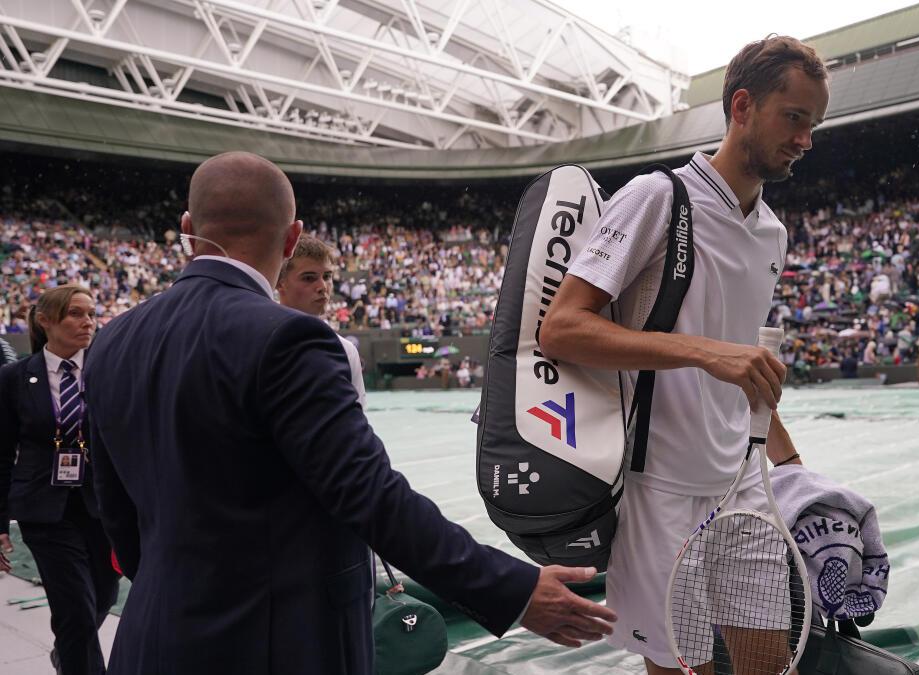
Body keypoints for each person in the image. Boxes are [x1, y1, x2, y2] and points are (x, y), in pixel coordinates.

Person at [82, 152, 615, 675]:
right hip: (278, 643)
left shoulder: (111, 342)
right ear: (292, 238)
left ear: (187, 228)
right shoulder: (287, 337)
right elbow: (368, 493)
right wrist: (513, 589)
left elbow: (112, 509)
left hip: (152, 631)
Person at [540, 36, 826, 675]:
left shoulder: (773, 231)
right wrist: (703, 353)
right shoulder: (655, 197)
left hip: (742, 481)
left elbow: (743, 363)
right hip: (656, 484)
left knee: (766, 663)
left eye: (814, 124)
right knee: (678, 670)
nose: (806, 140)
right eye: (795, 118)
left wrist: (798, 470)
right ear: (743, 106)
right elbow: (561, 328)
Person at [0, 285, 120, 675]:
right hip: (44, 510)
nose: (88, 321)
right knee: (77, 613)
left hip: (101, 506)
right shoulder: (15, 378)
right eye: (75, 313)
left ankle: (67, 654)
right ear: (45, 320)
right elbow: (2, 452)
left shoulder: (110, 369)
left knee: (103, 597)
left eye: (91, 313)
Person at [276, 233, 366, 407]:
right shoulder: (257, 341)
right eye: (309, 278)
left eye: (327, 276)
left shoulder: (346, 352)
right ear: (280, 282)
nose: (322, 287)